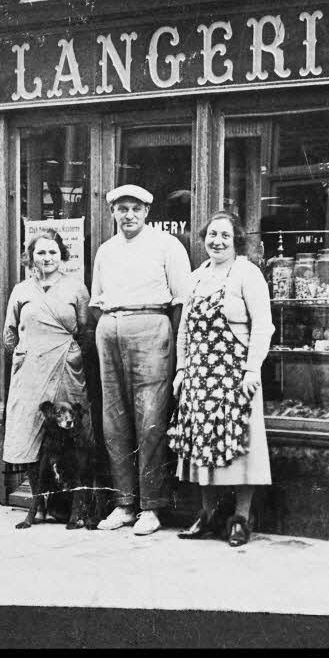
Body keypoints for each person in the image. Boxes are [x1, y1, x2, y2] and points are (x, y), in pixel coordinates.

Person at [90, 184, 192, 535]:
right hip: (111, 327)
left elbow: (182, 301)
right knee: (114, 420)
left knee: (151, 418)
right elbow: (96, 299)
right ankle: (124, 503)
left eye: (135, 208)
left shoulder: (167, 245)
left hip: (152, 327)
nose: (128, 215)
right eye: (122, 209)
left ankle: (151, 507)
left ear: (147, 212)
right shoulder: (106, 250)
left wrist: (176, 350)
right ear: (113, 213)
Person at [168, 211, 274, 547]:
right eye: (212, 235)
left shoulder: (247, 274)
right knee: (203, 444)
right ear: (203, 238)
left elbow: (263, 325)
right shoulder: (196, 277)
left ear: (236, 240)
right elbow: (184, 328)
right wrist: (182, 369)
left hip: (235, 375)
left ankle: (241, 519)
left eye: (225, 236)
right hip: (200, 376)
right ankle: (207, 515)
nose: (217, 241)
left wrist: (252, 369)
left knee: (241, 448)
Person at [2, 229, 92, 527]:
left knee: (73, 437)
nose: (47, 257)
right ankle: (37, 506)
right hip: (30, 371)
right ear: (30, 257)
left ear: (62, 254)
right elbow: (9, 333)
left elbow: (85, 328)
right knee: (28, 435)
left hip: (66, 367)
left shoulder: (76, 288)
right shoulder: (21, 290)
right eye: (41, 252)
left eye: (53, 251)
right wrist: (24, 355)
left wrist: (71, 354)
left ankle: (76, 509)